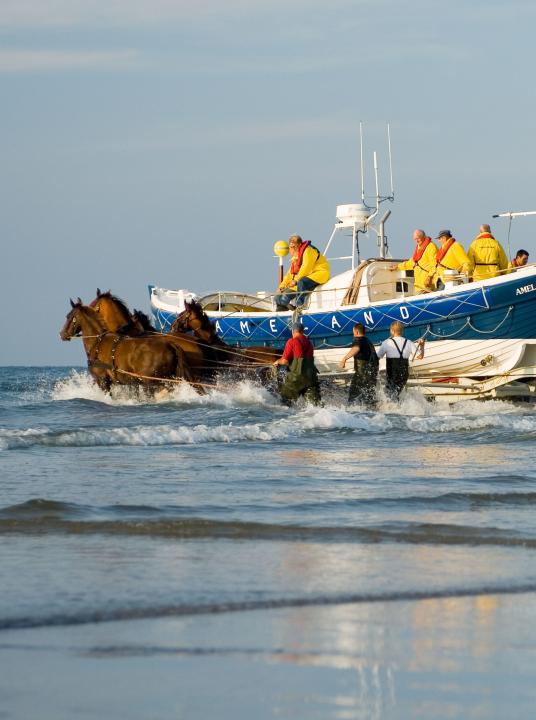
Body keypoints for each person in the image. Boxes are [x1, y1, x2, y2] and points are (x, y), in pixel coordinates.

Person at [274, 235, 330, 311]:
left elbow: (306, 267)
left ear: (299, 245)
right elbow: (289, 275)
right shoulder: (295, 259)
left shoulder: (308, 251)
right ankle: (283, 313)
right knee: (278, 297)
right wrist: (281, 287)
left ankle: (299, 306)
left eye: (294, 246)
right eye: (290, 246)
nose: (292, 248)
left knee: (302, 282)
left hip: (320, 273)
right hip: (304, 277)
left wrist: (296, 280)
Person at [273, 322, 321, 405]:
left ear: (293, 331)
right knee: (315, 406)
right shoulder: (309, 343)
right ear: (302, 331)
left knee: (285, 403)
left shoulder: (291, 341)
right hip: (311, 378)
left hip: (296, 378)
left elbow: (285, 361)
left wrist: (277, 361)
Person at [376, 320, 424, 401]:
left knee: (390, 394)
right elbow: (420, 356)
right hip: (404, 373)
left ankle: (393, 410)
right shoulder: (409, 342)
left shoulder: (386, 342)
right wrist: (422, 346)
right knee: (397, 393)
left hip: (392, 373)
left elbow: (377, 358)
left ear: (392, 331)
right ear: (402, 331)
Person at [339, 323, 379, 406]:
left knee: (353, 394)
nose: (353, 334)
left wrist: (344, 359)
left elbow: (356, 348)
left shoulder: (358, 339)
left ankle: (351, 412)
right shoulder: (368, 341)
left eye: (353, 332)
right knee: (369, 395)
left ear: (356, 332)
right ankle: (372, 412)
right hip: (372, 373)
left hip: (362, 374)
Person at [391, 229, 437, 294]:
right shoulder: (419, 248)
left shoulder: (431, 247)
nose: (416, 241)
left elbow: (435, 264)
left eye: (418, 238)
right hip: (418, 286)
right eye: (415, 239)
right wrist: (398, 267)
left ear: (423, 236)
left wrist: (429, 277)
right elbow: (412, 263)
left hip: (427, 285)